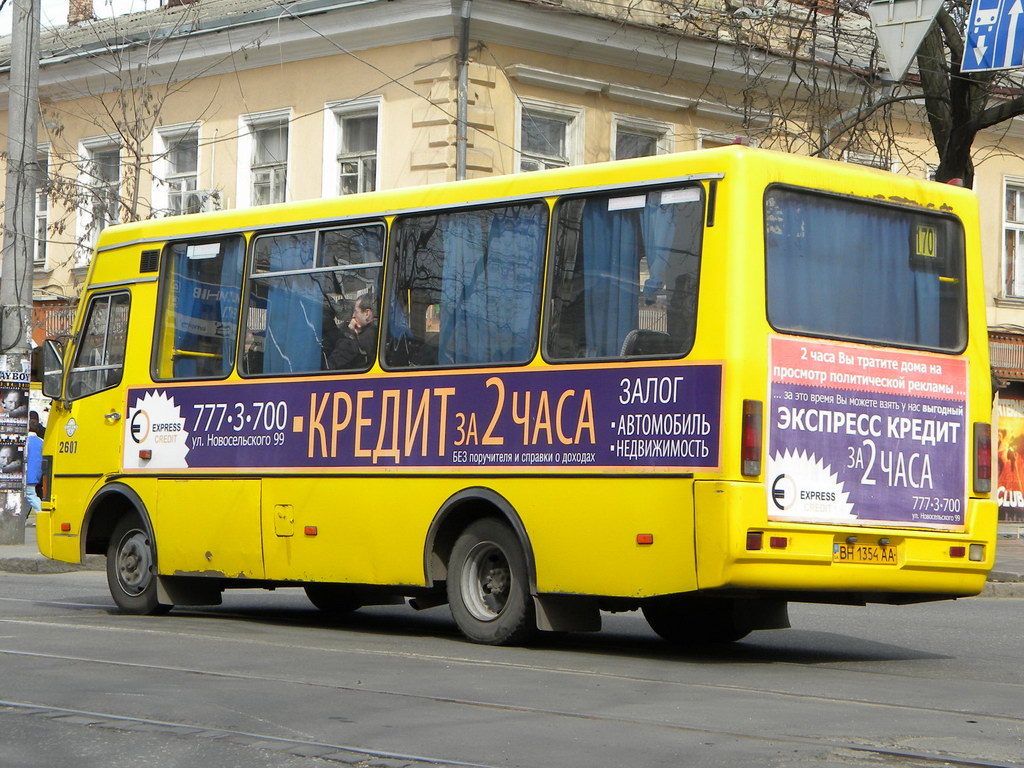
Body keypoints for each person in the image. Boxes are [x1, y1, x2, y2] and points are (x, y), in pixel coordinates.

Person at [328, 291, 378, 370]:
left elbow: (333, 364)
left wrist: (350, 333)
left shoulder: (367, 337)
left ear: (367, 314)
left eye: (356, 311)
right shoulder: (380, 332)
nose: (353, 315)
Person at [24, 430, 42, 525]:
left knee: (30, 495)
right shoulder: (41, 441)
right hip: (37, 472)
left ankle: (41, 513)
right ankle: (23, 517)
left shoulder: (26, 441)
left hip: (28, 473)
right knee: (27, 496)